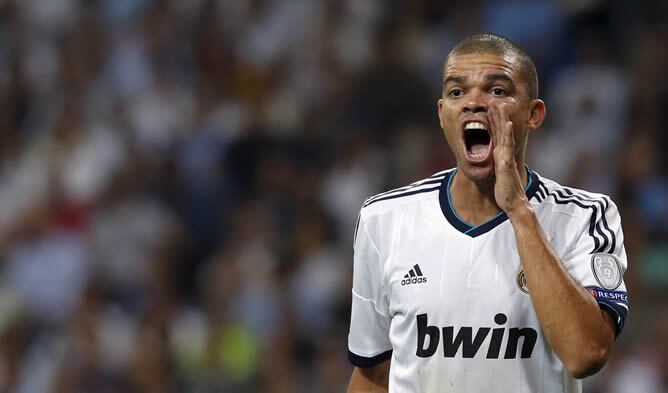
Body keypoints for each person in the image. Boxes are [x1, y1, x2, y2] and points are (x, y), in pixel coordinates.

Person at [346, 33, 629, 393]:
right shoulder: (383, 219)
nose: (473, 103)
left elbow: (585, 353)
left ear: (533, 114)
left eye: (497, 91)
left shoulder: (586, 217)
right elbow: (374, 373)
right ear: (442, 114)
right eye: (456, 92)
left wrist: (517, 209)